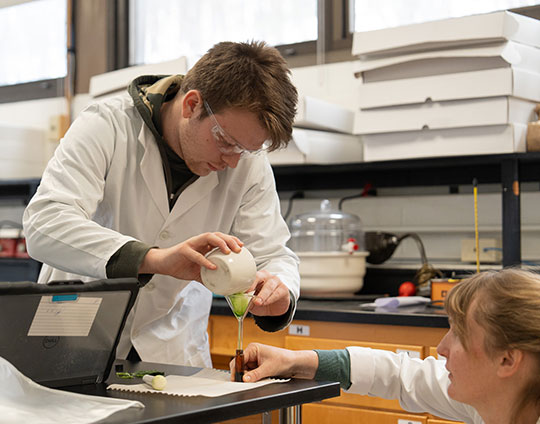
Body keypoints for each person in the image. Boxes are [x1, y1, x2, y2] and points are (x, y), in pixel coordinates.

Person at [23, 40, 300, 368]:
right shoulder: (107, 125)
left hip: (173, 351)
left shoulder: (247, 165)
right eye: (225, 141)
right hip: (74, 334)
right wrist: (153, 259)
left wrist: (280, 292)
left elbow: (272, 254)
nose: (234, 162)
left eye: (247, 149)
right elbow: (45, 223)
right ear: (192, 105)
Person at [232, 269, 540, 424]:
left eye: (458, 333)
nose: (441, 348)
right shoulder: (497, 399)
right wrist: (293, 360)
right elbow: (398, 375)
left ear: (507, 360)